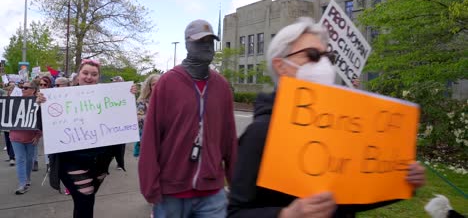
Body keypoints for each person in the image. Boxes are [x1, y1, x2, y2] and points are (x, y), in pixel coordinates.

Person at [227, 17, 426, 218]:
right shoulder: (260, 133)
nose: (323, 64)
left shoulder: (341, 126)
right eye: (312, 55)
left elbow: (350, 200)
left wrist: (402, 182)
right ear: (281, 66)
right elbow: (234, 212)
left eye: (329, 57)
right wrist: (286, 215)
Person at [139, 19, 238, 218]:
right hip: (171, 193)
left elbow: (229, 138)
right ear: (187, 44)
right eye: (200, 41)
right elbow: (151, 138)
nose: (207, 47)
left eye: (210, 42)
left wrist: (236, 183)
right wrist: (150, 186)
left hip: (212, 194)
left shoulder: (221, 86)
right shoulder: (168, 83)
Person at [40, 59, 136, 218]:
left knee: (84, 202)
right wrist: (41, 106)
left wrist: (128, 96)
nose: (89, 77)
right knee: (85, 202)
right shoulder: (59, 97)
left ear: (98, 77)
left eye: (94, 74)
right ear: (78, 76)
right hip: (71, 161)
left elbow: (123, 117)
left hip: (101, 161)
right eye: (85, 73)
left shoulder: (109, 97)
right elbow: (42, 126)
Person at [10, 79, 42, 194]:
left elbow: (41, 121)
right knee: (20, 159)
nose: (23, 89)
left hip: (31, 137)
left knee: (29, 160)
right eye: (22, 87)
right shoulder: (14, 101)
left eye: (26, 88)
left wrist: (38, 136)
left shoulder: (39, 103)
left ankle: (27, 179)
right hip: (15, 136)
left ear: (33, 90)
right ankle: (22, 184)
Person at [133, 73, 160, 157]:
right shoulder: (143, 101)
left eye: (159, 83)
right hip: (146, 139)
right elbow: (139, 119)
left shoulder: (168, 100)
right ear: (149, 87)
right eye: (153, 84)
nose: (157, 86)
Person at [109, 75, 126, 170]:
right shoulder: (108, 92)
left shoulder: (126, 94)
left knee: (120, 145)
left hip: (121, 123)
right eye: (113, 82)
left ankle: (120, 163)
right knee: (110, 144)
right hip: (109, 122)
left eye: (115, 81)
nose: (113, 83)